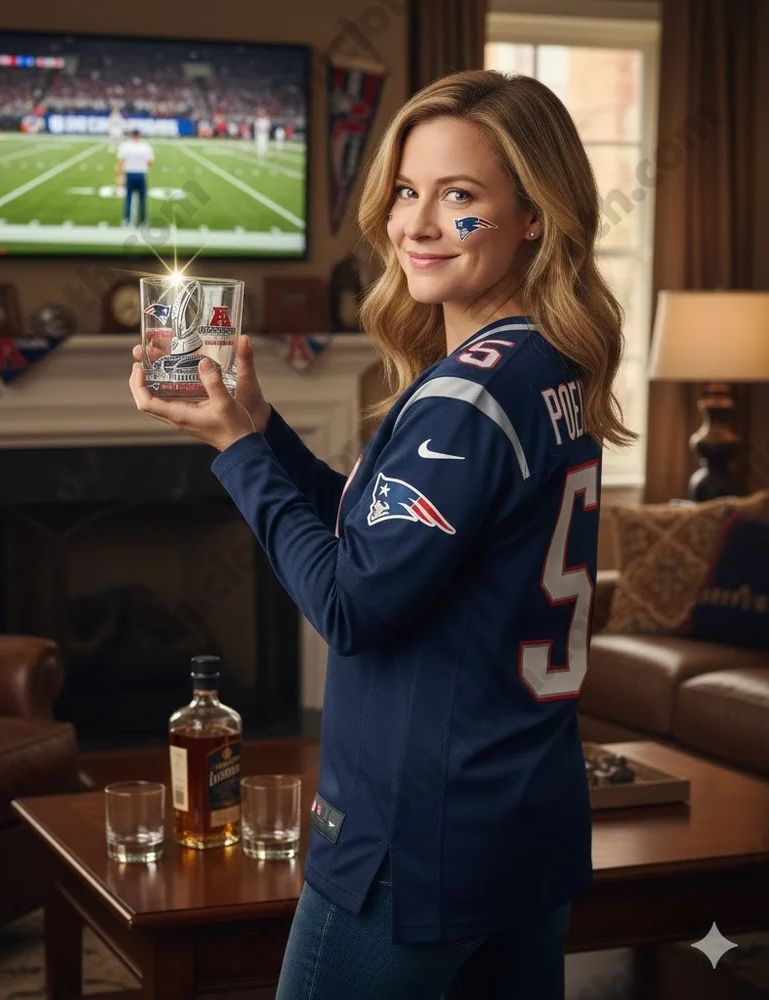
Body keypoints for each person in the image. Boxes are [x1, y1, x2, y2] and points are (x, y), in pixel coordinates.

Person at [129, 69, 635, 999]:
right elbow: (386, 538)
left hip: (421, 834)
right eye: (408, 190)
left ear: (536, 214)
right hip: (526, 819)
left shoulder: (466, 399)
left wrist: (239, 454)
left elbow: (353, 603)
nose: (417, 224)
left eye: (460, 197)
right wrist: (258, 423)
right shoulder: (540, 364)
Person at [116, 128, 153, 228]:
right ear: (139, 135)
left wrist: (120, 175)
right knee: (142, 199)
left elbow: (120, 162)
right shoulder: (145, 146)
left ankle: (127, 220)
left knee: (128, 198)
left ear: (132, 136)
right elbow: (150, 163)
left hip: (129, 174)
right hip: (141, 174)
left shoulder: (125, 146)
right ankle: (143, 221)